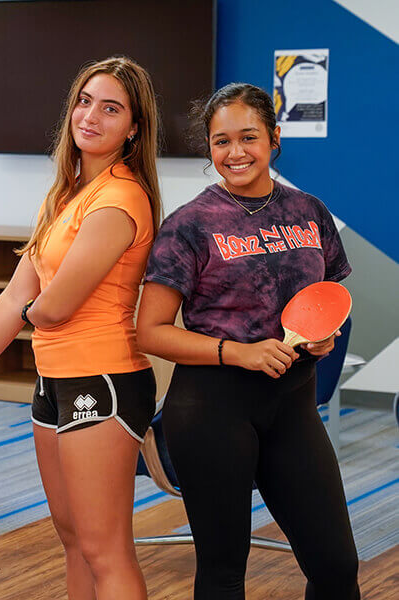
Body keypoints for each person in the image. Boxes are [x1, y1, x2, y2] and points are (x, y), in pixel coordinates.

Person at [136, 83, 359, 599]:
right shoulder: (188, 225)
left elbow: (328, 298)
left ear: (274, 138)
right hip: (212, 407)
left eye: (248, 137)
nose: (235, 153)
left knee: (336, 566)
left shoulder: (310, 211)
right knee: (223, 572)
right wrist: (240, 353)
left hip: (292, 404)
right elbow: (151, 331)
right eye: (220, 142)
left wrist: (323, 338)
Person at [0, 56, 162, 600]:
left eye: (111, 108)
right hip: (53, 380)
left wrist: (31, 309)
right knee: (71, 539)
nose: (90, 116)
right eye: (84, 101)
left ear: (134, 128)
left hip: (104, 381)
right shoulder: (64, 194)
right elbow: (18, 294)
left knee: (105, 547)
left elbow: (55, 306)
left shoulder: (120, 198)